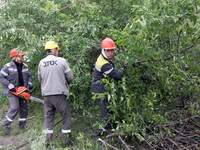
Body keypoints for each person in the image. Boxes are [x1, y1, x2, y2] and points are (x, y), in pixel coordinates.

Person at [38, 41, 73, 147]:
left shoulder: (41, 62)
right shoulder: (62, 61)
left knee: (48, 117)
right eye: (57, 49)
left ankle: (46, 142)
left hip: (47, 95)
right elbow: (70, 77)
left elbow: (40, 78)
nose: (57, 51)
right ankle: (66, 141)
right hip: (59, 94)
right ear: (54, 50)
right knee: (65, 115)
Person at [91, 38, 126, 137]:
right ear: (103, 50)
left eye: (112, 50)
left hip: (101, 89)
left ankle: (109, 132)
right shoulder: (104, 64)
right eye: (108, 51)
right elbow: (117, 76)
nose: (110, 53)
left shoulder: (104, 57)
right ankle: (97, 135)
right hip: (99, 91)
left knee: (110, 113)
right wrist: (123, 68)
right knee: (107, 117)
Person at [0, 48, 33, 133]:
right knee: (15, 107)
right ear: (15, 57)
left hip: (23, 90)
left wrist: (30, 83)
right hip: (12, 91)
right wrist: (9, 84)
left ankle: (22, 124)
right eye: (21, 56)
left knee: (24, 108)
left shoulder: (25, 66)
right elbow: (1, 77)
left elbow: (29, 76)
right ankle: (5, 124)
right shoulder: (7, 67)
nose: (23, 57)